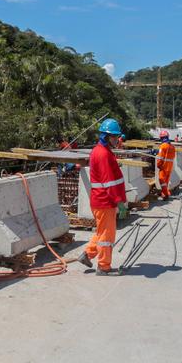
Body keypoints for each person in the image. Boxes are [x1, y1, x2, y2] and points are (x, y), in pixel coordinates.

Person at [78, 118, 127, 275]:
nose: (117, 139)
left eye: (117, 136)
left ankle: (87, 254)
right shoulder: (103, 154)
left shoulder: (101, 151)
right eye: (114, 136)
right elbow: (109, 183)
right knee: (107, 236)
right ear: (106, 136)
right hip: (106, 201)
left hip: (101, 200)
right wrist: (119, 202)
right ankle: (104, 267)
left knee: (102, 232)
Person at [155, 130, 177, 200]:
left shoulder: (163, 146)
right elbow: (173, 156)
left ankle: (166, 194)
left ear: (161, 138)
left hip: (164, 166)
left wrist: (158, 164)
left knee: (161, 180)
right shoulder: (172, 146)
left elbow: (160, 157)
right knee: (166, 182)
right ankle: (164, 193)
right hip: (169, 167)